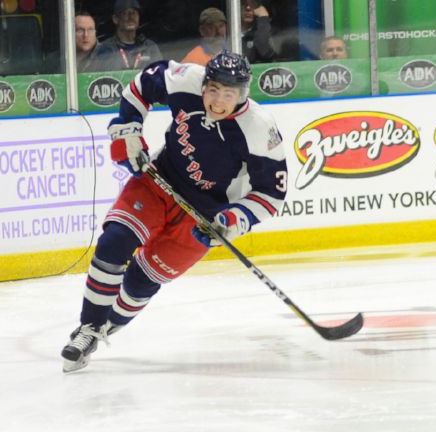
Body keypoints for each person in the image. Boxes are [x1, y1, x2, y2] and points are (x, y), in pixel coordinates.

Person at [60, 52, 288, 373]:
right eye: (213, 90)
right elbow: (141, 87)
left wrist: (232, 220)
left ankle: (106, 327)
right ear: (204, 84)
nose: (218, 101)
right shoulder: (185, 80)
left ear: (242, 94)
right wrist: (128, 129)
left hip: (204, 217)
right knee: (114, 243)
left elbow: (272, 193)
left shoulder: (258, 127)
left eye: (228, 94)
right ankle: (88, 328)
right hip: (159, 182)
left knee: (141, 280)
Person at [91, 0, 162, 71]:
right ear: (115, 19)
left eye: (134, 13)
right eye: (125, 13)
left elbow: (160, 76)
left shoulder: (150, 48)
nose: (131, 17)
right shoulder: (104, 49)